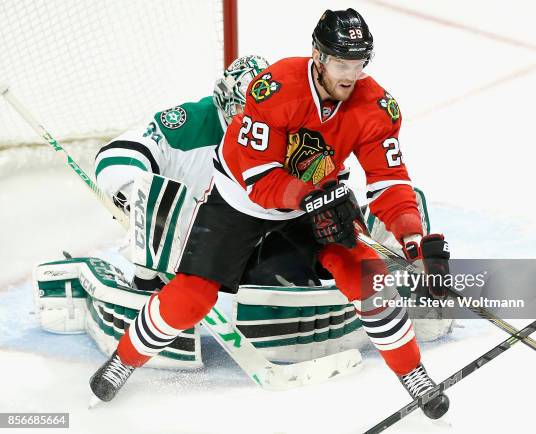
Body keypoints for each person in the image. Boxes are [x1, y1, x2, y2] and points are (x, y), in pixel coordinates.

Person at [90, 9, 450, 419]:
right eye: (339, 63)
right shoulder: (275, 89)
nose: (350, 75)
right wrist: (310, 197)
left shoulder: (377, 107)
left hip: (319, 194)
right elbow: (260, 180)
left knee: (366, 274)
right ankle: (124, 360)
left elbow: (389, 180)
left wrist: (414, 240)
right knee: (193, 294)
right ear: (317, 56)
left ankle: (414, 374)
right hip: (241, 199)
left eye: (358, 63)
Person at [94, 54, 269, 289]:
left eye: (261, 111)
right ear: (225, 98)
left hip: (236, 255)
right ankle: (147, 277)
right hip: (180, 251)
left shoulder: (281, 131)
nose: (251, 120)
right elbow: (115, 155)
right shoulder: (192, 123)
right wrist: (138, 200)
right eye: (242, 108)